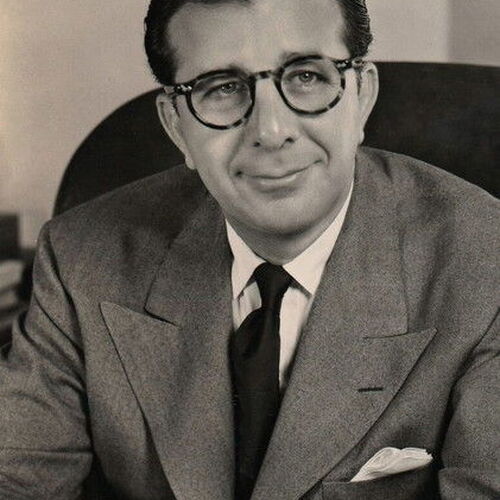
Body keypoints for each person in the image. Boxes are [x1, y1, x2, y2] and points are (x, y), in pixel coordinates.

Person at [0, 0, 498, 498]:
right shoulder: (80, 258)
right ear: (176, 125)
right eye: (222, 88)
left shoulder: (485, 263)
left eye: (305, 77)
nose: (271, 131)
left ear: (362, 95)